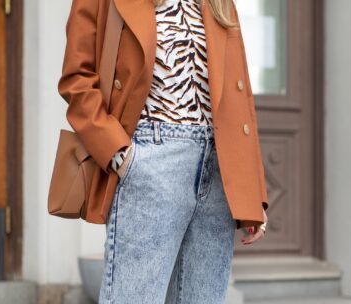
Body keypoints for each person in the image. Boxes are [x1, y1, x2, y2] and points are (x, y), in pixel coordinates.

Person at [58, 0, 269, 303]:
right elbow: (77, 78)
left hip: (219, 173)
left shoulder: (219, 3)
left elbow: (240, 94)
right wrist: (120, 155)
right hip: (151, 163)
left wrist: (251, 189)